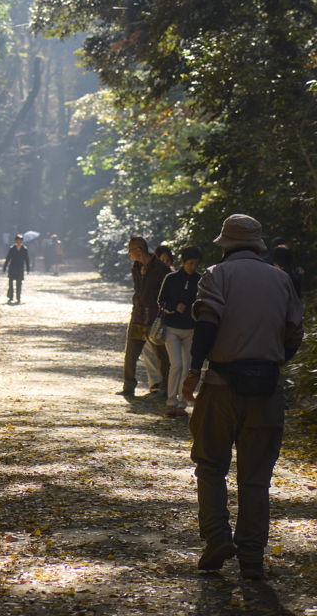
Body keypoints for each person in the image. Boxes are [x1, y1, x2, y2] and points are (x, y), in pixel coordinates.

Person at [182, 214, 304, 580]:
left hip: (221, 385)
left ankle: (217, 537)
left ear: (225, 245)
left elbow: (207, 325)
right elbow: (294, 335)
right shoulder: (282, 279)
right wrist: (267, 362)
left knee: (210, 465)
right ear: (258, 245)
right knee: (255, 477)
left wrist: (193, 371)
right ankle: (251, 558)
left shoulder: (216, 275)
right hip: (266, 391)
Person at [119, 235, 170, 397]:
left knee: (161, 355)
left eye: (130, 250)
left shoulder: (160, 268)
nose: (129, 253)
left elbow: (168, 292)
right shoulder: (135, 267)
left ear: (139, 250)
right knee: (131, 354)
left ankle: (165, 387)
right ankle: (128, 386)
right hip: (139, 315)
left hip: (155, 317)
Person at [158, 245, 202, 418]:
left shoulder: (201, 280)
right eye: (190, 263)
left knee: (187, 368)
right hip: (172, 329)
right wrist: (175, 306)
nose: (193, 267)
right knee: (176, 364)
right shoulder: (171, 278)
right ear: (183, 262)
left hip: (192, 330)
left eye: (196, 264)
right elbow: (161, 301)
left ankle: (182, 405)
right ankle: (171, 402)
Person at [3, 233, 30, 303]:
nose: (19, 242)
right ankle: (10, 297)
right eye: (17, 240)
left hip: (20, 268)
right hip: (12, 268)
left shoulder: (24, 249)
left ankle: (18, 297)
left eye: (20, 240)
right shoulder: (12, 248)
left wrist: (28, 268)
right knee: (10, 284)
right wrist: (5, 266)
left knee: (19, 284)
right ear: (15, 241)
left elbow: (26, 259)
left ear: (22, 241)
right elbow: (8, 258)